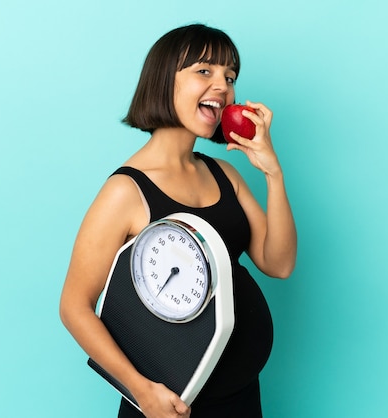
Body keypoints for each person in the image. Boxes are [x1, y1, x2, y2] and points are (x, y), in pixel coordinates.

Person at [59, 24, 297, 418]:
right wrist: (141, 392)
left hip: (241, 398)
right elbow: (74, 306)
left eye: (230, 77)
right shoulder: (126, 190)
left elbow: (279, 263)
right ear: (163, 81)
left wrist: (274, 174)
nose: (222, 86)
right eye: (204, 71)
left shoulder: (225, 174)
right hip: (169, 407)